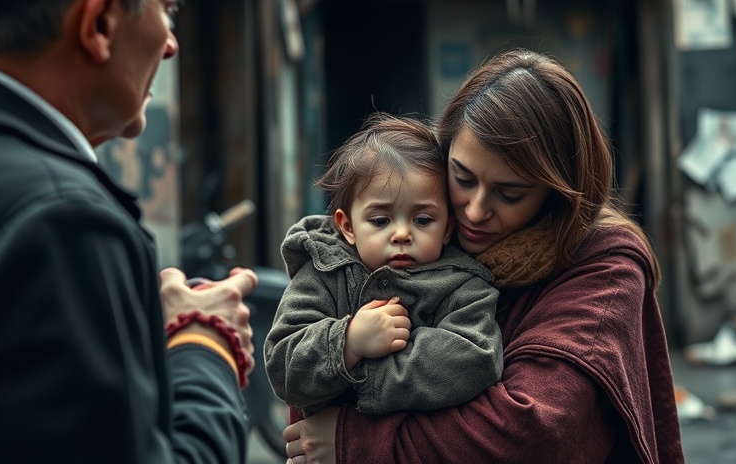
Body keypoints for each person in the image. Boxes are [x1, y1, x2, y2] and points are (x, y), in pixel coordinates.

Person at [282, 49, 685, 463]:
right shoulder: (406, 237)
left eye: (510, 194)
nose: (474, 211)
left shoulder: (603, 267)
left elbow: (536, 432)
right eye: (463, 178)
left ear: (558, 193)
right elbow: (296, 375)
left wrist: (355, 439)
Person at [0, 0, 259, 462]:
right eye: (167, 7)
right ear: (100, 23)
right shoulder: (64, 224)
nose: (171, 44)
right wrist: (204, 342)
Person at [264, 113, 503, 417]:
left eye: (423, 220)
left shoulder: (465, 286)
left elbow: (475, 358)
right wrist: (348, 341)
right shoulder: (325, 272)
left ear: (447, 228)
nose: (402, 234)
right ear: (348, 226)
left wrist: (364, 376)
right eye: (380, 220)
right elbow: (282, 366)